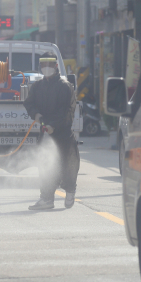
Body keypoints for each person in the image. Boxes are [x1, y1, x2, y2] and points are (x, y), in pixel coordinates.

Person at [23, 53, 80, 210]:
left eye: (49, 65)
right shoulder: (37, 86)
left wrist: (54, 125)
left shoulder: (65, 86)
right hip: (45, 132)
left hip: (63, 134)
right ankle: (47, 199)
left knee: (68, 165)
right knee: (45, 165)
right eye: (43, 65)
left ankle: (70, 190)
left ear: (56, 66)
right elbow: (29, 103)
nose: (46, 68)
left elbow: (68, 111)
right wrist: (36, 115)